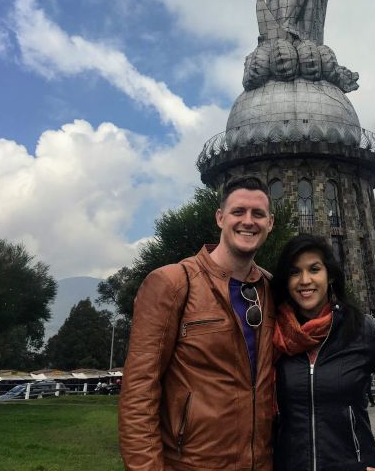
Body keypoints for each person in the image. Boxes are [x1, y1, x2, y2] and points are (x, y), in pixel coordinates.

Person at [118, 177, 276, 471]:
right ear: (220, 218)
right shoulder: (173, 283)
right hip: (192, 463)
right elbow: (139, 391)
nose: (248, 221)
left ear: (270, 223)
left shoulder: (271, 289)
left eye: (258, 214)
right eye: (238, 212)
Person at [271, 235, 375, 471]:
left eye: (314, 269)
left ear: (331, 276)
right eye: (294, 272)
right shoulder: (274, 336)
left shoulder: (360, 330)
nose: (305, 280)